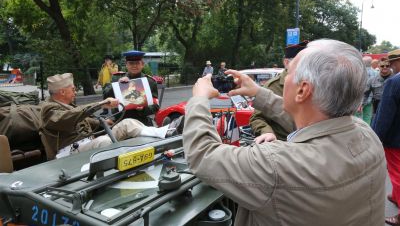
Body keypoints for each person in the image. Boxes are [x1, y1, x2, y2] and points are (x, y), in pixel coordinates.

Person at [183, 39, 385, 225]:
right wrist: (258, 93)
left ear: (302, 90)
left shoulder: (276, 164)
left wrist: (199, 100)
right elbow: (312, 118)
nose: (284, 76)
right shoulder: (366, 134)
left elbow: (202, 154)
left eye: (288, 72)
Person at [40, 73, 183, 160]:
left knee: (127, 123)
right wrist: (100, 104)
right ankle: (115, 172)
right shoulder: (49, 109)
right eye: (72, 89)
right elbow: (68, 118)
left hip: (86, 144)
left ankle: (165, 132)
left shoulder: (68, 105)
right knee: (104, 142)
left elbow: (82, 118)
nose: (75, 91)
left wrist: (103, 122)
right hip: (69, 153)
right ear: (62, 92)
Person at [249, 41, 308, 143]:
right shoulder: (273, 86)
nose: (305, 67)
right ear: (286, 63)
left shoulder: (313, 83)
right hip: (283, 145)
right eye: (300, 63)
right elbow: (257, 117)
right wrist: (267, 132)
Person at [371, 49, 400, 225]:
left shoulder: (394, 82)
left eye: (393, 63)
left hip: (395, 139)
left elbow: (384, 116)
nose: (391, 66)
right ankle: (396, 196)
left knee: (397, 175)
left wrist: (376, 138)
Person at [105, 50, 159, 126]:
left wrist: (143, 109)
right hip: (119, 122)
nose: (134, 66)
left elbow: (155, 106)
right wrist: (117, 85)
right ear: (126, 65)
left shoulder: (149, 82)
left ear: (142, 64)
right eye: (131, 63)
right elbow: (105, 96)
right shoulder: (117, 78)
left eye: (137, 63)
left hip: (142, 122)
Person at [357, 56, 377, 124]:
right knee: (367, 117)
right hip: (370, 99)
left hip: (359, 99)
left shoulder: (358, 73)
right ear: (371, 62)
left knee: (357, 118)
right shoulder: (376, 73)